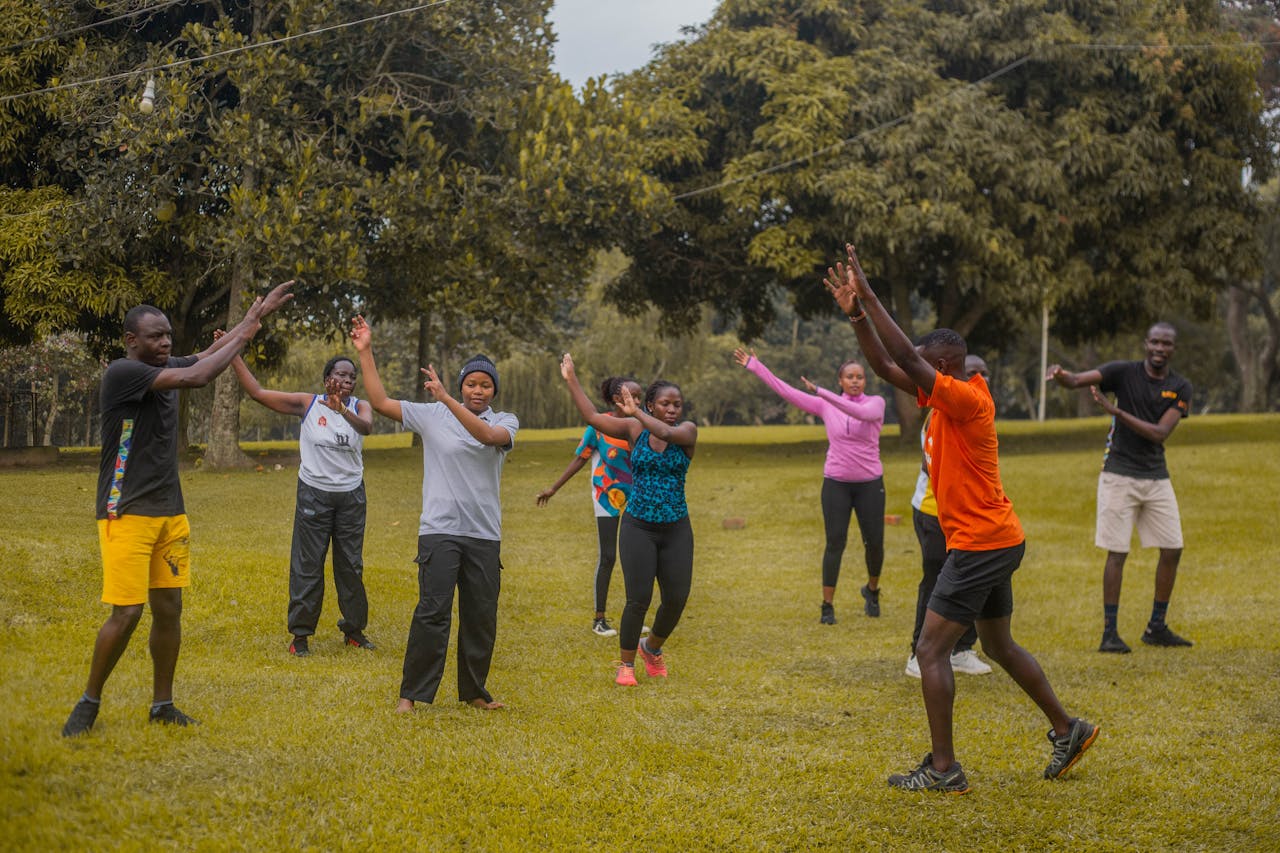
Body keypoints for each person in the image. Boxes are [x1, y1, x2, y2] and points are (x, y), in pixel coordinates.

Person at [827, 245, 1096, 793]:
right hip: (993, 540)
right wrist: (856, 314)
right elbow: (885, 363)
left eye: (925, 363)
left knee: (930, 649)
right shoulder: (944, 398)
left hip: (980, 544)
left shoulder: (969, 400)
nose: (915, 372)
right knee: (997, 645)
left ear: (942, 366)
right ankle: (1069, 730)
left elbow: (901, 355)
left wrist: (871, 294)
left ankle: (944, 770)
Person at [62, 281, 295, 737]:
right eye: (155, 336)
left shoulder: (166, 364)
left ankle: (162, 704)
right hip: (124, 512)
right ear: (132, 340)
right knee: (126, 613)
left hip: (171, 512)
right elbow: (200, 375)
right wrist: (248, 328)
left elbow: (203, 358)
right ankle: (89, 702)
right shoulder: (123, 373)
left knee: (169, 608)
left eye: (168, 334)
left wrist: (254, 319)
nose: (166, 342)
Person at [350, 316, 517, 712]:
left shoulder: (504, 422)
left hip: (484, 535)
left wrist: (448, 400)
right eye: (471, 384)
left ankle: (474, 692)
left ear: (494, 390)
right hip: (439, 531)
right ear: (462, 385)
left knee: (480, 618)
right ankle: (411, 695)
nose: (478, 391)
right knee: (432, 613)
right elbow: (379, 402)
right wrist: (366, 352)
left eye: (485, 385)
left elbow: (486, 437)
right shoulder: (430, 415)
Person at [1046, 323, 1193, 653]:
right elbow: (1075, 381)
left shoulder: (1180, 386)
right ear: (1145, 343)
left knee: (1173, 548)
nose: (1159, 348)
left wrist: (1116, 411)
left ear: (1173, 349)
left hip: (1156, 476)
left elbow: (1159, 433)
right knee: (1118, 552)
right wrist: (1059, 374)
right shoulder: (1122, 372)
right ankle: (1109, 633)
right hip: (1119, 474)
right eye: (1154, 341)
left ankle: (1156, 626)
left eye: (1166, 343)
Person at [559, 354, 697, 687]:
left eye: (677, 404)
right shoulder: (633, 428)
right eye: (665, 403)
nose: (673, 409)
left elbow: (664, 430)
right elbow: (592, 416)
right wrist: (572, 380)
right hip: (638, 526)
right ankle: (626, 665)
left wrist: (638, 413)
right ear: (651, 404)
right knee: (638, 598)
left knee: (676, 598)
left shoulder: (687, 432)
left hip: (676, 526)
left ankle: (652, 648)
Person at [228, 352, 376, 656]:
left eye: (352, 376)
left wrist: (342, 411)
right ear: (327, 380)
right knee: (308, 565)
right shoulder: (307, 404)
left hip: (350, 496)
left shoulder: (360, 406)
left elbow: (366, 428)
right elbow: (257, 393)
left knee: (350, 565)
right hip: (314, 494)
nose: (347, 380)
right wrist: (233, 356)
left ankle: (354, 631)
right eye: (341, 375)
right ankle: (300, 637)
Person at [732, 347, 886, 622]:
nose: (854, 381)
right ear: (840, 381)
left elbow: (860, 414)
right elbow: (786, 391)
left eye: (859, 377)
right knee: (834, 543)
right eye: (849, 377)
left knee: (874, 543)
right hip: (836, 483)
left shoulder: (876, 403)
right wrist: (756, 366)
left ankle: (872, 590)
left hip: (870, 484)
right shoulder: (825, 405)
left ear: (865, 381)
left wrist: (821, 391)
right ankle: (827, 606)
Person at [904, 353, 994, 679]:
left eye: (982, 373)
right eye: (971, 372)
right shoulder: (938, 412)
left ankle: (961, 649)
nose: (977, 379)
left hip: (966, 516)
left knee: (971, 582)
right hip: (932, 512)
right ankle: (918, 652)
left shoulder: (974, 409)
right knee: (935, 583)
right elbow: (932, 466)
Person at [536, 375, 643, 638]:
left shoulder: (641, 426)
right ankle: (599, 619)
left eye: (641, 397)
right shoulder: (598, 428)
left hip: (636, 498)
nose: (639, 402)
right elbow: (579, 460)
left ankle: (635, 617)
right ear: (618, 399)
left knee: (636, 557)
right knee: (608, 556)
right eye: (634, 396)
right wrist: (553, 488)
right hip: (606, 497)